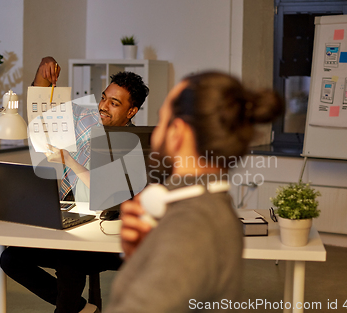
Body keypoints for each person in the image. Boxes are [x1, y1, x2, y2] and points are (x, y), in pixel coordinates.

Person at [104, 71, 283, 312]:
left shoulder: (191, 225)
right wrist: (142, 256)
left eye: (162, 120)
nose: (156, 134)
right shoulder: (207, 207)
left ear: (177, 133)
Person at [0, 57, 149, 313]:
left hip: (107, 239)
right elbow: (41, 110)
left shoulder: (133, 144)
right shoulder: (84, 117)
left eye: (114, 103)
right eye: (104, 98)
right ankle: (83, 309)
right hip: (69, 222)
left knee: (71, 258)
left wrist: (70, 160)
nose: (103, 106)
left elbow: (106, 193)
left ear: (131, 111)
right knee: (11, 257)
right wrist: (44, 71)